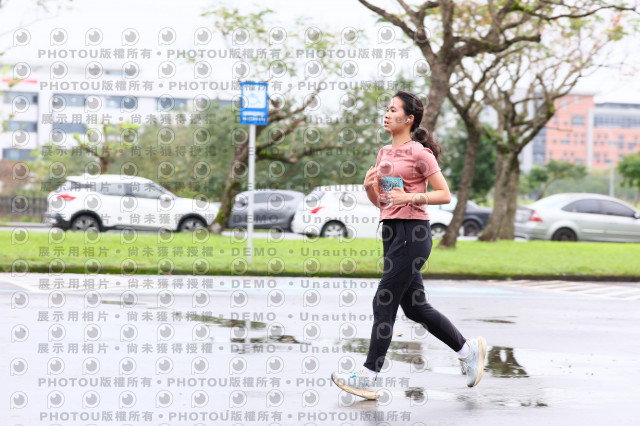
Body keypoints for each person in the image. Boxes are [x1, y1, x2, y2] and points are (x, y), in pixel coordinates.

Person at [331, 90, 487, 400]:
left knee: (384, 300)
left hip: (413, 234)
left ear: (409, 119)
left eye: (393, 110)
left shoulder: (420, 153)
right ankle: (468, 351)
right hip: (391, 233)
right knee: (415, 307)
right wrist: (369, 189)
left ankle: (368, 376)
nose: (387, 114)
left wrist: (412, 196)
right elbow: (384, 203)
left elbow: (444, 194)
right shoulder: (383, 153)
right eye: (387, 109)